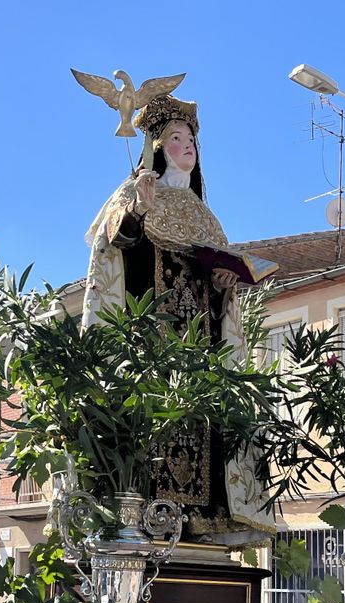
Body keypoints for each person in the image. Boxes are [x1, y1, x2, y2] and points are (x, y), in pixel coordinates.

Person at [80, 91, 274, 546]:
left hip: (199, 356)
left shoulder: (206, 215)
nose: (188, 145)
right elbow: (114, 250)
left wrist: (225, 285)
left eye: (191, 138)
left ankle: (201, 526)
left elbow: (212, 286)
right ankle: (138, 522)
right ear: (155, 147)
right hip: (152, 351)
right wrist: (137, 213)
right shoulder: (133, 194)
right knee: (153, 430)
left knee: (203, 425)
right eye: (175, 137)